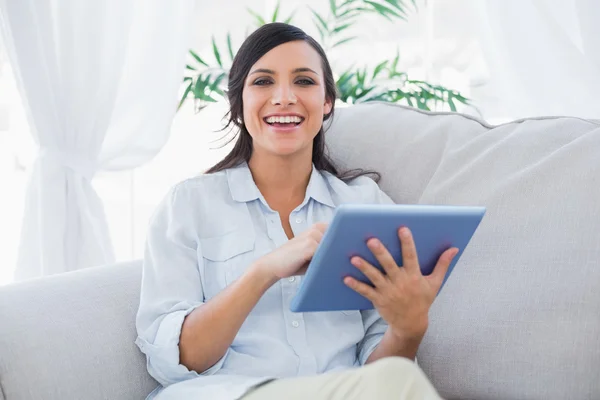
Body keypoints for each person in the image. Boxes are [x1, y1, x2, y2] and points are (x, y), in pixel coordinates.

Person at [135, 22, 458, 400]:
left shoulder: (363, 205)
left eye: (304, 81)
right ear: (238, 104)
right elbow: (177, 360)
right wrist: (264, 271)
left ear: (327, 103)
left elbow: (381, 375)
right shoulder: (189, 206)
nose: (284, 97)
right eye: (263, 82)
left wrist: (408, 329)